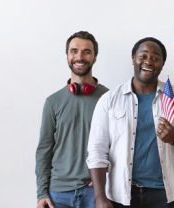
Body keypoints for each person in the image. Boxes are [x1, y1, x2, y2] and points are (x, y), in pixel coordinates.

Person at [86, 37, 174, 208]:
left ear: (162, 64)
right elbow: (97, 150)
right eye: (143, 56)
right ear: (133, 58)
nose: (149, 61)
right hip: (122, 195)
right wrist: (100, 197)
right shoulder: (109, 100)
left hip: (166, 195)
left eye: (156, 58)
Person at [36, 31, 108, 208]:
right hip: (58, 194)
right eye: (74, 51)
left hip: (95, 192)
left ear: (95, 57)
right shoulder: (53, 101)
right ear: (67, 55)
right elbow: (44, 149)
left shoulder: (109, 98)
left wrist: (106, 175)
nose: (79, 57)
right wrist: (42, 193)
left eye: (86, 51)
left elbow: (120, 144)